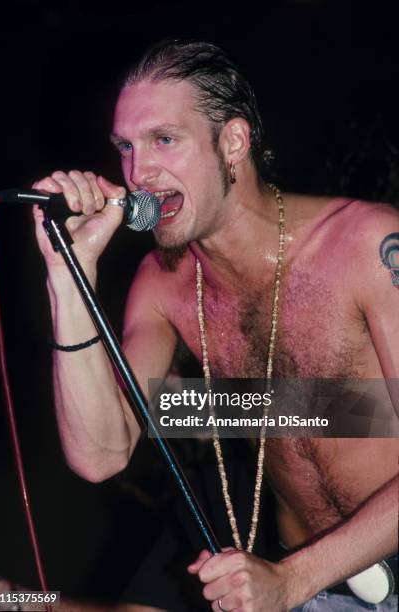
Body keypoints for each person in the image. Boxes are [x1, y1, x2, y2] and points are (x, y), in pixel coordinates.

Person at [32, 40, 398, 611]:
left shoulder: (366, 245)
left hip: (306, 577)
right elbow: (100, 454)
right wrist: (68, 276)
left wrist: (292, 580)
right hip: (312, 589)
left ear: (232, 141)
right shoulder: (163, 281)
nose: (137, 172)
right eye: (126, 146)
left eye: (164, 140)